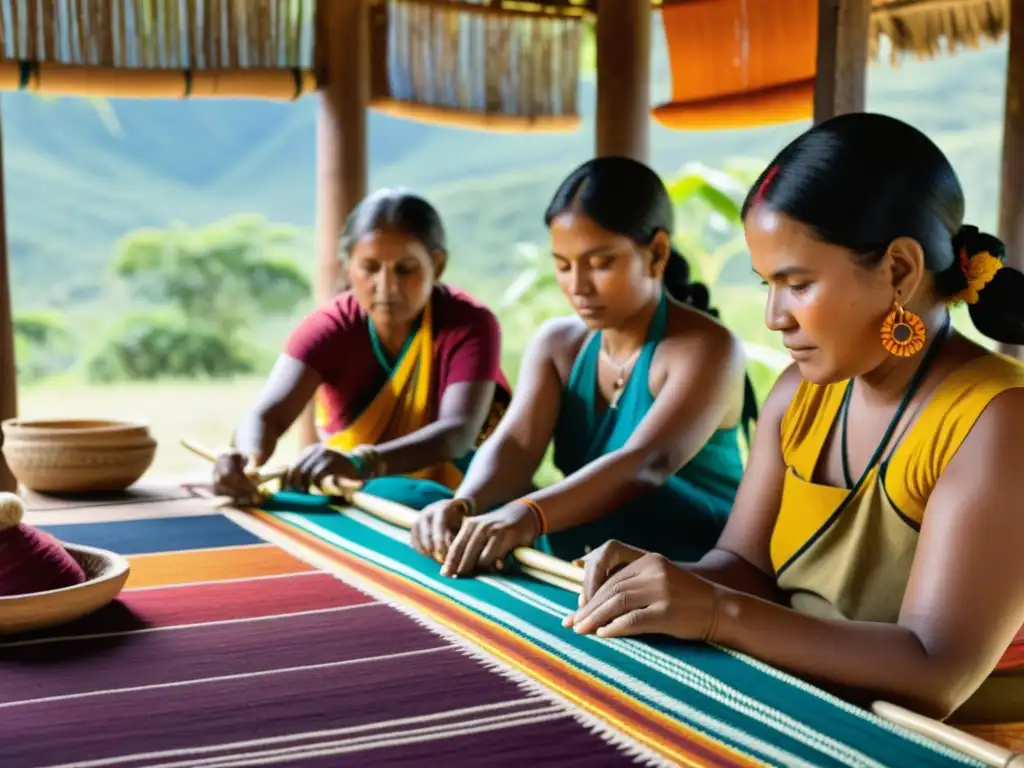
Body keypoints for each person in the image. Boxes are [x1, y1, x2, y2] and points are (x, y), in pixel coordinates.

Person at [565, 113, 1024, 743]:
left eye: (798, 283)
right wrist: (659, 578)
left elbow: (934, 672)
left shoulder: (996, 420)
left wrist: (716, 611)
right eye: (767, 285)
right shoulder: (801, 394)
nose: (776, 317)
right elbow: (744, 566)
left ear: (897, 270)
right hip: (796, 702)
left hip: (939, 744)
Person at [411, 156, 757, 575]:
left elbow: (645, 463)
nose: (577, 286)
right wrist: (465, 502)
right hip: (589, 560)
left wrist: (529, 515)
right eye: (563, 265)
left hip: (692, 570)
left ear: (657, 253)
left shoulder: (706, 349)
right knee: (413, 499)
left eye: (600, 263)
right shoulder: (558, 345)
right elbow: (518, 447)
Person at [213, 188, 511, 507]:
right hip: (363, 500)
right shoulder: (329, 328)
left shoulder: (468, 324)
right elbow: (266, 414)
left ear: (437, 265)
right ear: (348, 267)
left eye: (405, 269)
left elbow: (458, 433)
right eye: (370, 268)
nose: (386, 286)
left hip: (467, 503)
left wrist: (363, 464)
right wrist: (246, 461)